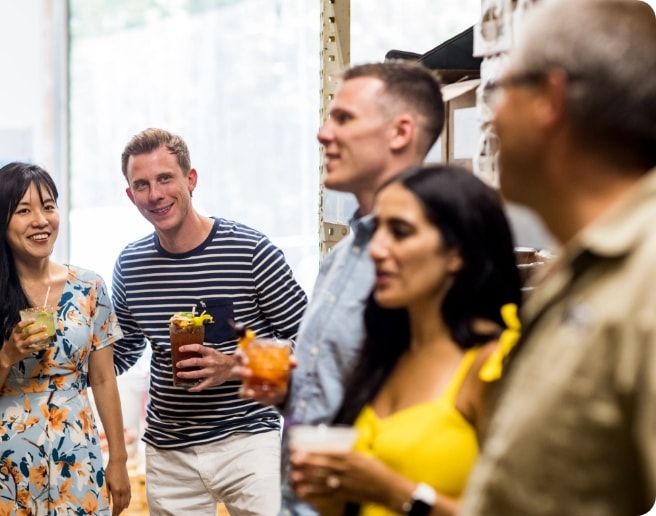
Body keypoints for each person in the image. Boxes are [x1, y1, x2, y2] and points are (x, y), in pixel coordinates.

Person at [459, 1, 656, 514]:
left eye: (498, 90)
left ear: (549, 98)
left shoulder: (646, 271)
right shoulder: (583, 266)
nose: (491, 115)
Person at [237, 61, 444, 516]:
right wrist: (287, 391)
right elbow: (347, 386)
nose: (322, 134)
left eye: (344, 118)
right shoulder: (341, 258)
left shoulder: (429, 263)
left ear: (400, 133)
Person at [290, 165, 522, 516]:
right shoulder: (387, 353)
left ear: (457, 252)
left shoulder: (493, 363)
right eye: (378, 230)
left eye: (399, 232)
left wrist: (392, 490)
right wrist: (329, 491)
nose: (377, 250)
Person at [111, 128, 308, 515]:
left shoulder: (251, 251)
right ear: (131, 195)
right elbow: (124, 349)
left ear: (191, 179)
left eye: (165, 178)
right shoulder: (130, 266)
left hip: (249, 441)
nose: (155, 194)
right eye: (142, 184)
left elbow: (312, 345)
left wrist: (235, 366)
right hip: (169, 453)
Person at [0, 162, 130, 515]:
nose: (41, 220)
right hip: (8, 462)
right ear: (0, 223)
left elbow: (102, 378)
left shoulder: (90, 287)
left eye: (48, 206)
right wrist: (7, 355)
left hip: (77, 455)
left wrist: (118, 459)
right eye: (24, 210)